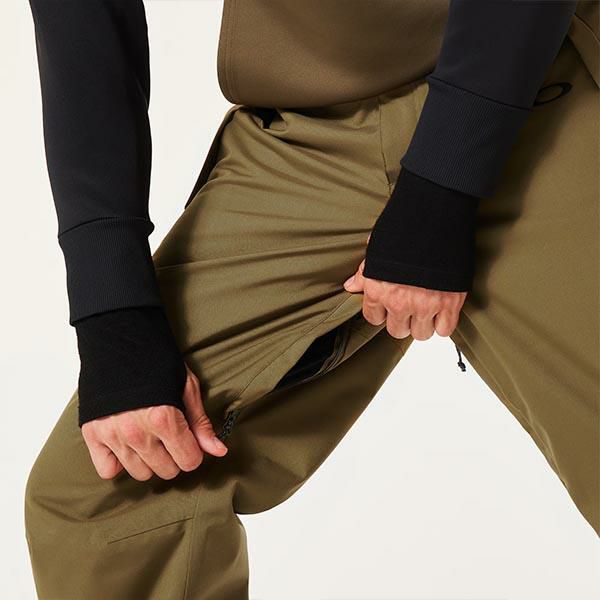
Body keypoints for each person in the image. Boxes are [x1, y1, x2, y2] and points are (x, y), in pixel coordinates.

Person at [25, 0, 598, 598]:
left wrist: (442, 189)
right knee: (112, 490)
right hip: (309, 134)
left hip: (533, 81)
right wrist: (113, 312)